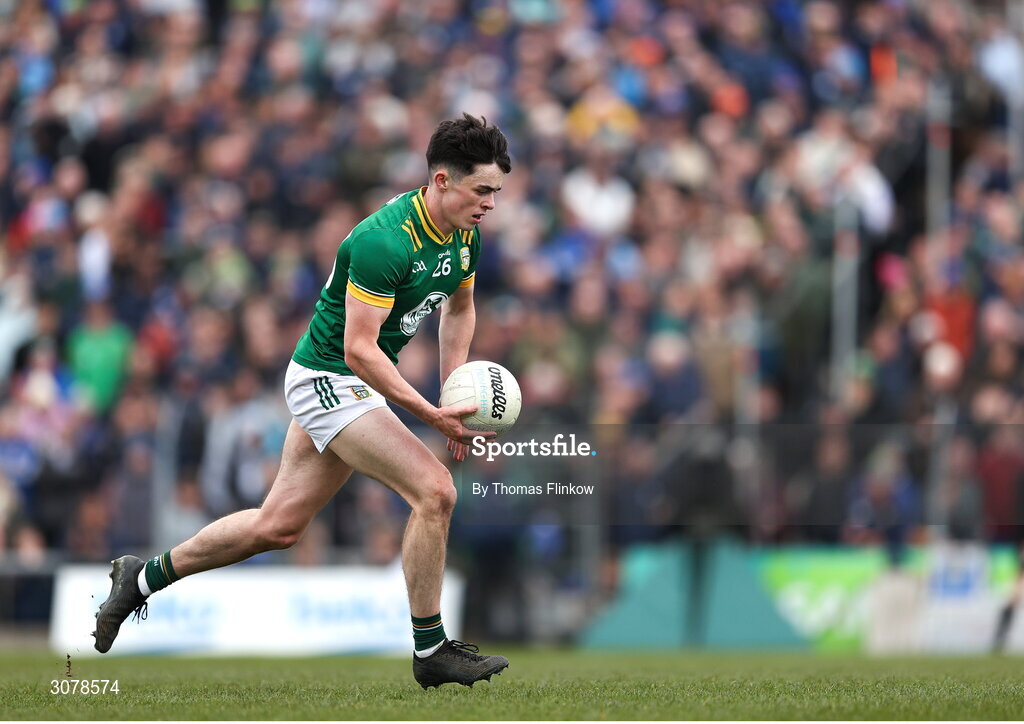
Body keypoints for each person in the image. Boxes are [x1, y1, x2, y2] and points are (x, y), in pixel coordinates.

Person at [93, 113, 512, 689]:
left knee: (277, 526)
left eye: (496, 192)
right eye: (482, 189)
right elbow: (360, 351)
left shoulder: (465, 233)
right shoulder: (382, 241)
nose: (491, 203)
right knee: (435, 491)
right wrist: (431, 416)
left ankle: (140, 579)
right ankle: (430, 649)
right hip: (329, 377)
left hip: (354, 383)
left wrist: (454, 387)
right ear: (441, 180)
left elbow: (459, 307)